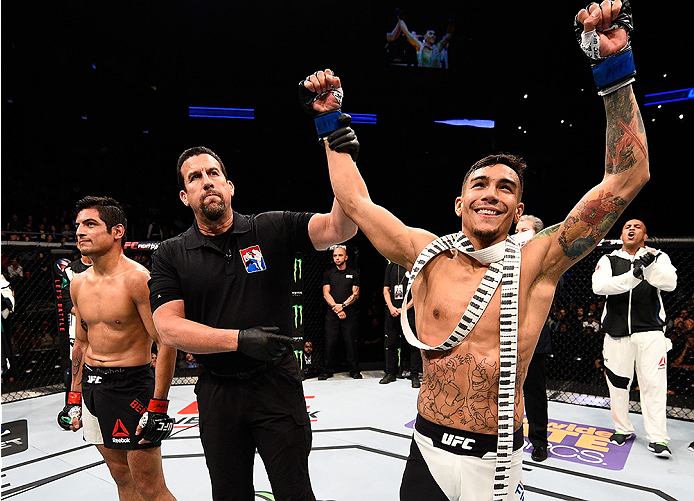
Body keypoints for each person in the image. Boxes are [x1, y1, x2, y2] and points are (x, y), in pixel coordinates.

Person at [301, 1, 649, 497]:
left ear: (519, 205)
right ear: (460, 202)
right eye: (480, 184)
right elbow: (355, 202)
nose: (492, 192)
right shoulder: (424, 254)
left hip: (497, 460)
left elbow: (626, 177)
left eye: (505, 187)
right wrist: (330, 123)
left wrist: (615, 72)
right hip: (426, 450)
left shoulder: (538, 260)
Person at [148, 146, 357, 501]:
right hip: (218, 391)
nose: (206, 182)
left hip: (276, 383)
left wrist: (342, 156)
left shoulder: (270, 227)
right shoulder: (171, 253)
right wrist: (240, 340)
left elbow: (340, 228)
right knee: (229, 494)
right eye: (195, 178)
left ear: (229, 186)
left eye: (213, 173)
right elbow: (168, 328)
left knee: (294, 490)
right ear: (185, 196)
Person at [57, 196, 177, 500]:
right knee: (122, 478)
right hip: (93, 389)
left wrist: (158, 406)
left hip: (131, 387)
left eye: (90, 224)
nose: (80, 232)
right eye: (78, 226)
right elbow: (81, 344)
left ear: (117, 231)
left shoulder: (138, 280)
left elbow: (165, 341)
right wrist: (73, 397)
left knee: (151, 488)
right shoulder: (77, 284)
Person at [592, 219, 677, 458]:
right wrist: (635, 274)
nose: (631, 229)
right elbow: (600, 287)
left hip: (650, 332)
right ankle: (623, 428)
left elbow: (669, 283)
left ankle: (658, 438)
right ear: (621, 234)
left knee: (654, 386)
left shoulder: (658, 257)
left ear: (645, 235)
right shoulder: (608, 259)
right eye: (627, 226)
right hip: (616, 333)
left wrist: (647, 267)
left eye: (637, 226)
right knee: (618, 385)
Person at [515, 215, 553, 462]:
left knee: (534, 392)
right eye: (516, 230)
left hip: (533, 335)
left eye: (524, 230)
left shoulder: (547, 263)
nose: (518, 234)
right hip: (500, 333)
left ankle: (539, 442)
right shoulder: (503, 257)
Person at [320, 244, 361, 380]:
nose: (337, 258)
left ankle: (354, 371)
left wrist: (342, 306)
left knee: (350, 342)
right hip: (332, 314)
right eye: (335, 256)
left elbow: (356, 294)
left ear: (346, 257)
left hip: (348, 314)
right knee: (330, 342)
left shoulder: (353, 274)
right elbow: (326, 293)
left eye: (340, 255)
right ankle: (327, 370)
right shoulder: (328, 274)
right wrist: (336, 309)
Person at [381, 261, 422, 388]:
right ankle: (390, 373)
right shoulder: (391, 266)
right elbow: (386, 289)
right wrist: (390, 306)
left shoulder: (412, 266)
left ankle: (414, 375)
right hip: (393, 311)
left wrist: (405, 307)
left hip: (409, 312)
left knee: (412, 344)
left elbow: (417, 292)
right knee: (391, 343)